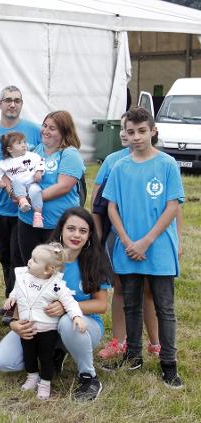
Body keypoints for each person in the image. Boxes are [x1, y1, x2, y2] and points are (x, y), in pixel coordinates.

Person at [103, 106, 185, 389]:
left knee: (165, 307)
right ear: (124, 134)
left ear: (153, 131)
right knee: (131, 303)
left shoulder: (167, 165)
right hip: (127, 249)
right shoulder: (119, 167)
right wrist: (127, 241)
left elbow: (172, 206)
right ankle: (133, 354)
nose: (136, 137)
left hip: (158, 248)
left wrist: (146, 241)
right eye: (130, 132)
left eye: (142, 131)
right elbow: (111, 207)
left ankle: (168, 364)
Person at [0, 207, 111, 401]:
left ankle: (89, 377)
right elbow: (24, 293)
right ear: (61, 230)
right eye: (71, 228)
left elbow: (101, 305)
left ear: (90, 235)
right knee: (3, 361)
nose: (76, 235)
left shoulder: (93, 260)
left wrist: (67, 307)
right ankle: (54, 353)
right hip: (41, 325)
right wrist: (14, 323)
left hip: (82, 326)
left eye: (83, 231)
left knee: (66, 321)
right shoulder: (44, 258)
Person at [91, 113, 160, 360]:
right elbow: (98, 202)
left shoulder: (161, 162)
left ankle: (156, 342)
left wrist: (179, 241)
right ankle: (119, 341)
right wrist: (99, 239)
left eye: (135, 129)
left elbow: (172, 207)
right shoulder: (113, 161)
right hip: (119, 236)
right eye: (124, 129)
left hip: (152, 238)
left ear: (150, 131)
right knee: (120, 288)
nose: (128, 134)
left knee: (150, 290)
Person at [3, 243, 86, 400]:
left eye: (34, 260)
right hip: (26, 328)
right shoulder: (24, 277)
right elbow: (17, 289)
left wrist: (77, 316)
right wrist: (12, 297)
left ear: (48, 270)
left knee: (46, 358)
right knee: (29, 355)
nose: (29, 261)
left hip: (47, 331)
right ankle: (32, 377)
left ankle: (45, 383)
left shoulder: (56, 285)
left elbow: (69, 302)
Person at [0, 86, 42, 315]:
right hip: (0, 208)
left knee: (23, 260)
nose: (12, 104)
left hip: (25, 210)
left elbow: (45, 155)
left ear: (22, 103)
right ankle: (11, 301)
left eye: (17, 100)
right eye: (8, 100)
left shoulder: (34, 130)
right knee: (6, 259)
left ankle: (21, 306)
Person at [17, 111, 85, 264]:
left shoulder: (69, 154)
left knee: (53, 271)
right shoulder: (35, 150)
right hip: (28, 221)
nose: (45, 131)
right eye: (45, 126)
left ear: (64, 131)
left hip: (56, 224)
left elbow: (63, 187)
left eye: (52, 128)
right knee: (30, 266)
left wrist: (29, 199)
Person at [0, 131, 45, 227]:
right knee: (17, 180)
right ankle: (22, 201)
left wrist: (39, 171)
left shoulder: (31, 155)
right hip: (18, 187)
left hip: (31, 182)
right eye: (19, 143)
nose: (24, 145)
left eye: (24, 142)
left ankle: (37, 214)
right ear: (10, 149)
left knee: (36, 191)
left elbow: (41, 161)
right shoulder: (4, 163)